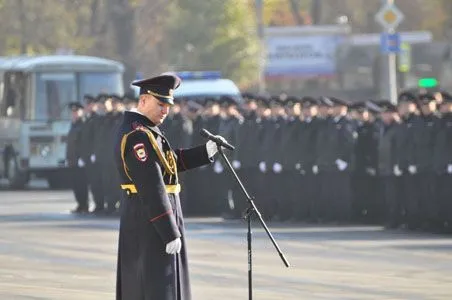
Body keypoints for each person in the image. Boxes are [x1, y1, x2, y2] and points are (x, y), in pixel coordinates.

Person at [114, 73, 223, 300]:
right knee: (155, 286)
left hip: (158, 217)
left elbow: (169, 163)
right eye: (160, 104)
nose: (165, 110)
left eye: (168, 105)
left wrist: (206, 151)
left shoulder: (148, 130)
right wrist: (169, 230)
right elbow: (151, 185)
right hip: (149, 221)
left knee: (166, 284)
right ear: (143, 101)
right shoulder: (138, 136)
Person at [66, 102, 88, 214]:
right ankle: (80, 204)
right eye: (73, 112)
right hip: (72, 160)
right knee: (75, 183)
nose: (74, 114)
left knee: (81, 184)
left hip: (80, 160)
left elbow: (84, 143)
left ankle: (84, 205)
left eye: (76, 111)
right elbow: (70, 143)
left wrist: (82, 158)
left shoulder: (82, 124)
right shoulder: (73, 125)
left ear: (81, 112)